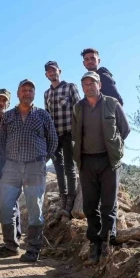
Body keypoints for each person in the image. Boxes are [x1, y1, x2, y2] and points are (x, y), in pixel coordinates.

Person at [72, 71, 130, 263]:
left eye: (92, 83)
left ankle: (107, 241)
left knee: (108, 204)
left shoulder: (112, 104)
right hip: (86, 161)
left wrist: (115, 146)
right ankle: (94, 243)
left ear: (99, 85)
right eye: (85, 84)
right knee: (89, 205)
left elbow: (125, 129)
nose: (88, 87)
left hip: (108, 161)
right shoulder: (78, 108)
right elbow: (75, 133)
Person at [0, 79, 58, 262]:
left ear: (34, 94)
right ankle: (10, 245)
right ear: (18, 94)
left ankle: (33, 249)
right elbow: (1, 142)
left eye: (31, 90)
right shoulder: (8, 116)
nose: (27, 93)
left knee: (34, 208)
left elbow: (53, 141)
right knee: (5, 207)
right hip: (11, 167)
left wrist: (40, 160)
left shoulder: (43, 115)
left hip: (35, 168)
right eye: (24, 90)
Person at [43, 61, 81, 216]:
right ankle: (63, 198)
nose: (52, 73)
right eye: (49, 72)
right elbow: (47, 115)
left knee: (69, 167)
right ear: (46, 75)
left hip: (69, 133)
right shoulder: (47, 93)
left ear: (59, 71)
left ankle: (71, 199)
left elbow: (79, 108)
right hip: (54, 136)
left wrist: (79, 131)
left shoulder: (70, 87)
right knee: (58, 167)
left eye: (54, 70)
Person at [0, 88, 21, 247]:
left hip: (11, 169)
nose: (1, 103)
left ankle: (16, 237)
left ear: (8, 103)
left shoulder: (13, 120)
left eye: (4, 100)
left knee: (12, 204)